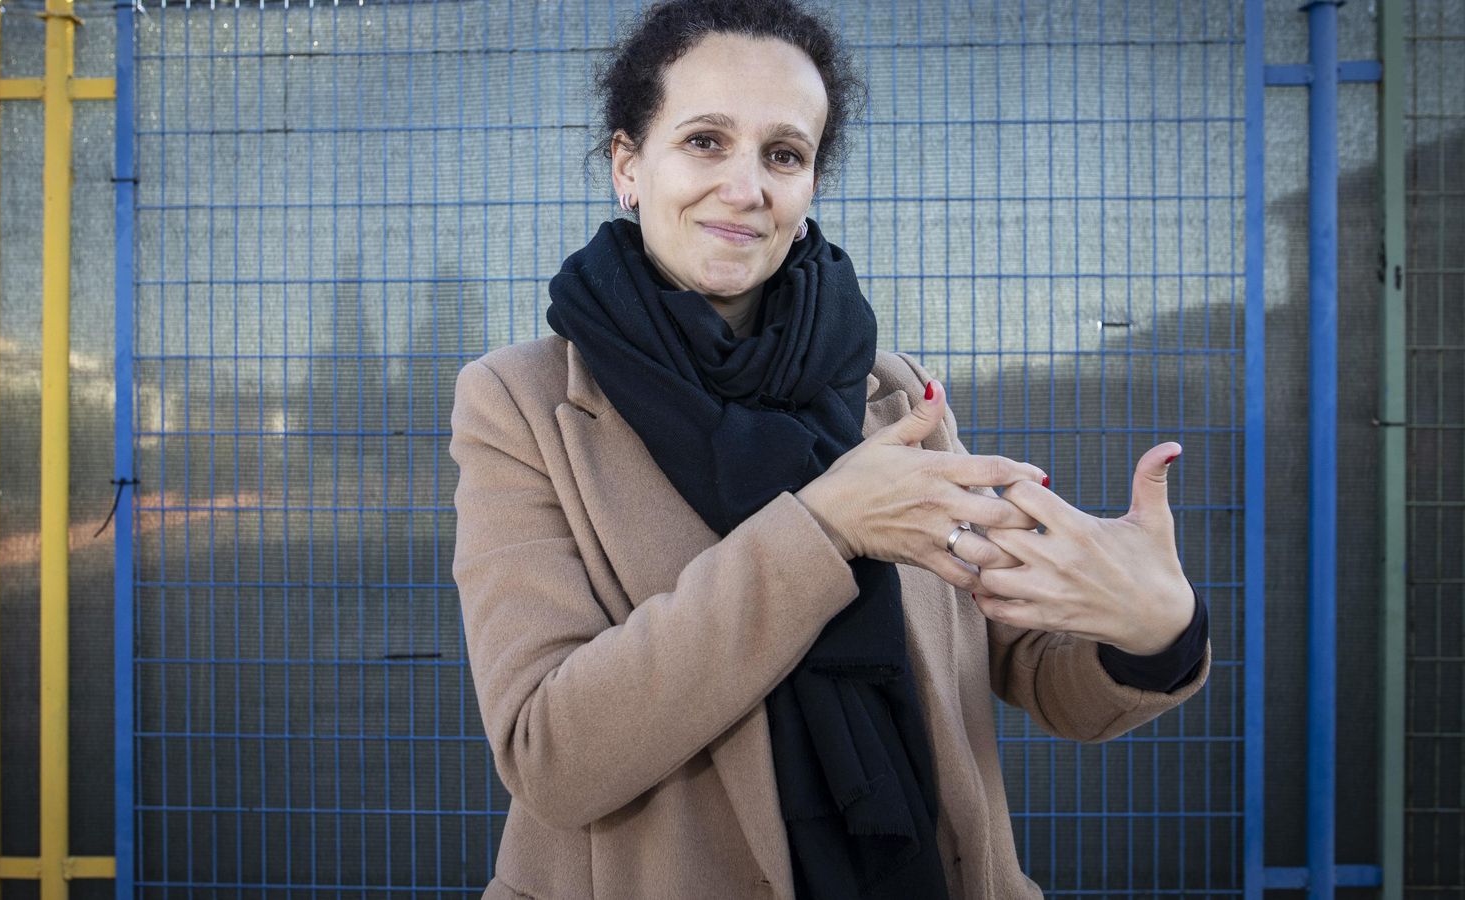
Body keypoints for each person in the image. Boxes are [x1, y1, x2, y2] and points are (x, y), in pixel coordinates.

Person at [449, 1, 1208, 897]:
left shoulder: (893, 395)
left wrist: (1153, 629)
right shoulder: (519, 403)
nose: (745, 188)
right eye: (704, 141)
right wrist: (824, 528)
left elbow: (1028, 665)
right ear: (629, 166)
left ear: (810, 184)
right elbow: (551, 753)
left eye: (783, 154)